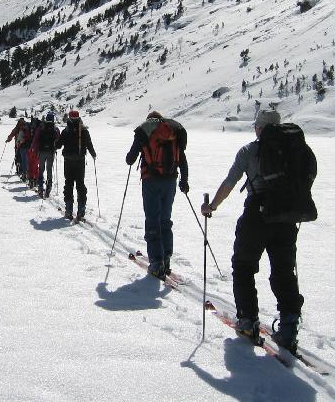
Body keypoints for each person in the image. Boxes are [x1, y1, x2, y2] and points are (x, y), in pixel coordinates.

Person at [201, 109, 304, 353]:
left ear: (260, 128)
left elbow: (230, 182)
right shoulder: (292, 149)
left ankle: (247, 320)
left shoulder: (249, 151)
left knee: (244, 265)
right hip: (287, 217)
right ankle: (289, 326)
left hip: (256, 214)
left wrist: (212, 206)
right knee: (283, 271)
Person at [125, 111, 189, 279]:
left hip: (151, 181)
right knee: (165, 220)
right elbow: (182, 158)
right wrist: (185, 180)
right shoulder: (172, 131)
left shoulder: (145, 131)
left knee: (152, 220)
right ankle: (166, 258)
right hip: (170, 181)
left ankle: (156, 262)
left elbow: (130, 159)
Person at [55, 110, 96, 220]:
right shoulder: (84, 131)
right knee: (80, 184)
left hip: (68, 161)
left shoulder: (65, 131)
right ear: (78, 118)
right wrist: (93, 154)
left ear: (69, 118)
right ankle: (81, 209)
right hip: (80, 161)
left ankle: (69, 209)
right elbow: (89, 144)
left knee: (68, 183)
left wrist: (55, 144)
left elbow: (58, 145)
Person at [31, 112, 60, 198]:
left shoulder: (41, 128)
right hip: (51, 152)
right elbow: (58, 140)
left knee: (41, 169)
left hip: (42, 151)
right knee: (49, 170)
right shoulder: (55, 129)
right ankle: (48, 187)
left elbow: (36, 139)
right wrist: (56, 148)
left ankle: (40, 187)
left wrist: (33, 148)